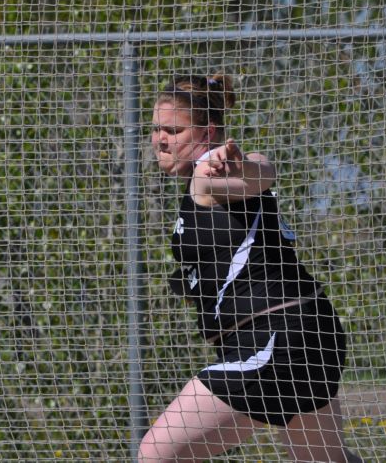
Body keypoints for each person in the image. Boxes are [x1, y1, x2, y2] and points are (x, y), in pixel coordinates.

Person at [139, 74, 362, 463]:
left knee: (157, 454)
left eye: (173, 130)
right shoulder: (201, 183)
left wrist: (239, 166)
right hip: (303, 334)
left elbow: (261, 169)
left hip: (276, 338)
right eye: (156, 128)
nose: (160, 139)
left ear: (207, 132)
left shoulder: (209, 174)